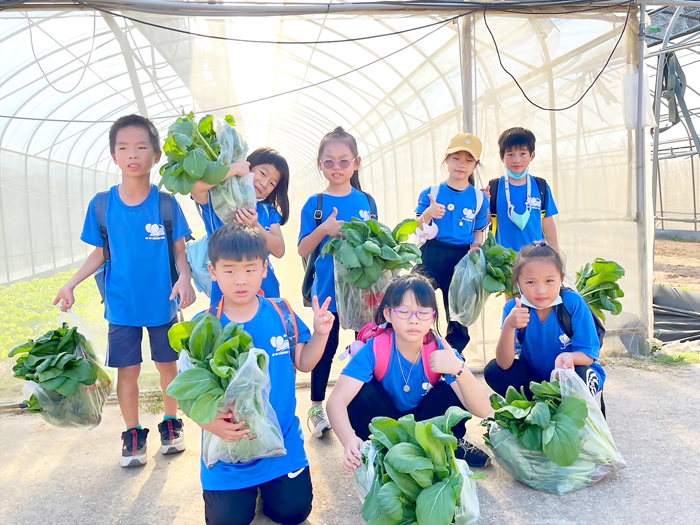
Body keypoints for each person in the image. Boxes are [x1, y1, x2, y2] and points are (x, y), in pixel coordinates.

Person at [54, 114, 196, 467]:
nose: (133, 154)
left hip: (163, 304)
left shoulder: (165, 205)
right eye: (124, 148)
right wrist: (71, 284)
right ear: (114, 156)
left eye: (141, 147)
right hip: (121, 307)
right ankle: (133, 434)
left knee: (168, 367)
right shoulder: (102, 205)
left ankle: (171, 423)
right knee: (127, 372)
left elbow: (180, 250)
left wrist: (184, 279)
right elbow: (100, 253)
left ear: (156, 155)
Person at [199, 222, 334, 525]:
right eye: (230, 270)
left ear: (264, 269)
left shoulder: (281, 312)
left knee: (293, 512)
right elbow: (187, 391)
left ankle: (270, 488)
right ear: (213, 271)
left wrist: (321, 334)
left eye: (250, 269)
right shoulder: (206, 325)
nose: (240, 280)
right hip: (228, 450)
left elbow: (304, 362)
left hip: (282, 443)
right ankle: (247, 492)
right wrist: (209, 424)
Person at [326, 274, 493, 470]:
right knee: (360, 394)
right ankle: (377, 450)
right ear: (388, 314)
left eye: (423, 313)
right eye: (404, 312)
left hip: (425, 423)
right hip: (388, 423)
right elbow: (336, 401)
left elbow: (483, 410)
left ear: (432, 316)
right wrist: (348, 440)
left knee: (455, 388)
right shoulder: (375, 349)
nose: (414, 321)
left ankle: (450, 445)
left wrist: (459, 369)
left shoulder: (440, 350)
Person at [298, 126, 378, 439]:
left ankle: (358, 400)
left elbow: (375, 245)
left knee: (364, 347)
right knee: (325, 347)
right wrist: (324, 229)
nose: (337, 168)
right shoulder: (314, 204)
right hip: (328, 291)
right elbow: (304, 249)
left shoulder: (367, 202)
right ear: (320, 164)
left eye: (344, 162)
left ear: (356, 163)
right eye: (329, 162)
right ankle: (317, 407)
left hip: (361, 292)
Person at [484, 242, 606, 412]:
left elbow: (589, 355)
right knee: (493, 371)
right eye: (531, 282)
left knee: (582, 375)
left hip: (570, 374)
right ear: (518, 282)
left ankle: (576, 408)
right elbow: (504, 364)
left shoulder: (572, 303)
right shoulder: (514, 308)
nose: (541, 290)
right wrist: (509, 326)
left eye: (549, 281)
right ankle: (540, 407)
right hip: (537, 381)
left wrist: (570, 358)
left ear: (561, 279)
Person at [414, 133, 488, 353]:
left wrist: (476, 246)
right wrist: (428, 212)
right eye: (456, 158)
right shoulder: (432, 193)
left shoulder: (479, 198)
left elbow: (478, 232)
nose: (461, 165)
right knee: (414, 297)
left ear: (475, 165)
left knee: (458, 313)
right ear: (446, 159)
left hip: (461, 258)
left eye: (468, 160)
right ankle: (417, 347)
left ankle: (453, 356)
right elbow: (417, 228)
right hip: (432, 252)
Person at [191, 147, 291, 303]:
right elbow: (196, 188)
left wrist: (255, 226)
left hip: (265, 290)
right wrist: (235, 168)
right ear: (248, 166)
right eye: (263, 174)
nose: (264, 184)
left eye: (272, 183)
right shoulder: (218, 197)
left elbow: (279, 250)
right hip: (225, 291)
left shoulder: (267, 210)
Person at [487, 127, 559, 253]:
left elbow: (548, 224)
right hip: (502, 263)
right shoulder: (494, 187)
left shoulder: (541, 186)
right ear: (502, 157)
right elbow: (483, 223)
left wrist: (556, 257)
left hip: (536, 259)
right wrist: (482, 202)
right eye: (510, 154)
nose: (517, 160)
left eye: (522, 154)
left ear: (532, 156)